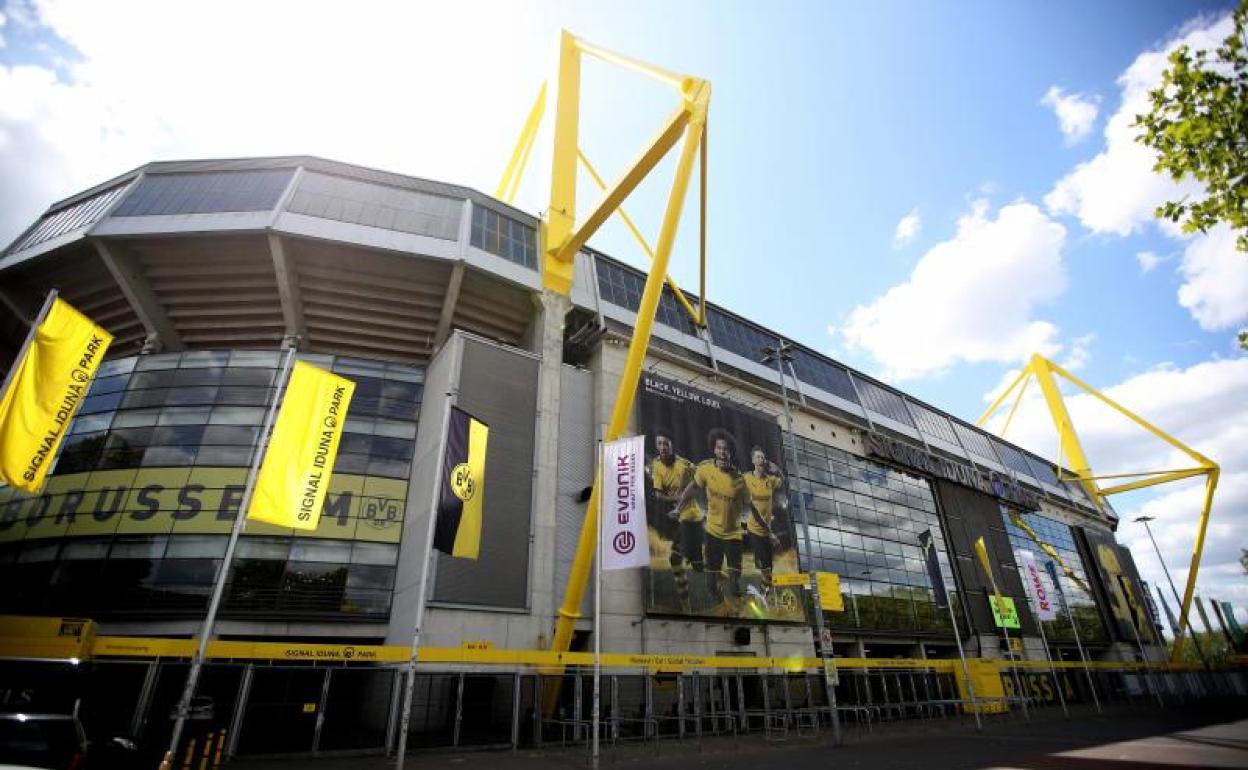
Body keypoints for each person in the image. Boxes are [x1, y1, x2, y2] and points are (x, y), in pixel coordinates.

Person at [673, 429, 753, 611]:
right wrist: (678, 508)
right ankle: (724, 608)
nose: (722, 452)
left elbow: (750, 506)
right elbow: (692, 489)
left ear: (731, 452)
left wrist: (749, 522)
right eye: (719, 448)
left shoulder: (739, 480)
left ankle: (740, 604)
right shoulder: (705, 469)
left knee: (734, 584)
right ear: (714, 450)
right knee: (710, 585)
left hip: (733, 536)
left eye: (726, 449)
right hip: (712, 534)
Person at [648, 431, 702, 612]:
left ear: (672, 446)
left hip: (691, 516)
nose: (663, 447)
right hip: (677, 516)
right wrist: (674, 498)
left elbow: (698, 486)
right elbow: (657, 494)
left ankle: (687, 609)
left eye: (666, 444)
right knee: (692, 563)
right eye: (660, 444)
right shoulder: (656, 464)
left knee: (675, 558)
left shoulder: (685, 465)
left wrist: (679, 498)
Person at [743, 446, 783, 596]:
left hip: (767, 530)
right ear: (753, 460)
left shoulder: (770, 480)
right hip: (755, 529)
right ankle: (757, 593)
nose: (761, 460)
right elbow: (752, 507)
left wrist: (778, 469)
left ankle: (762, 594)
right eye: (758, 457)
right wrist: (770, 533)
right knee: (764, 568)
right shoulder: (746, 478)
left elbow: (783, 482)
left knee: (769, 568)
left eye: (763, 457)